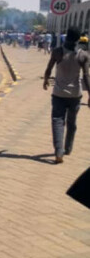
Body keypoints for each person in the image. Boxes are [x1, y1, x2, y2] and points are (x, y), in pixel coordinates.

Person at [43, 27, 90, 164]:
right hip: (75, 95)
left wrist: (46, 80)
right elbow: (86, 76)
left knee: (57, 121)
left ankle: (59, 152)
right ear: (78, 39)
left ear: (66, 37)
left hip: (58, 94)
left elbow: (49, 68)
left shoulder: (57, 52)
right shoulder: (83, 55)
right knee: (72, 122)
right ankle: (68, 148)